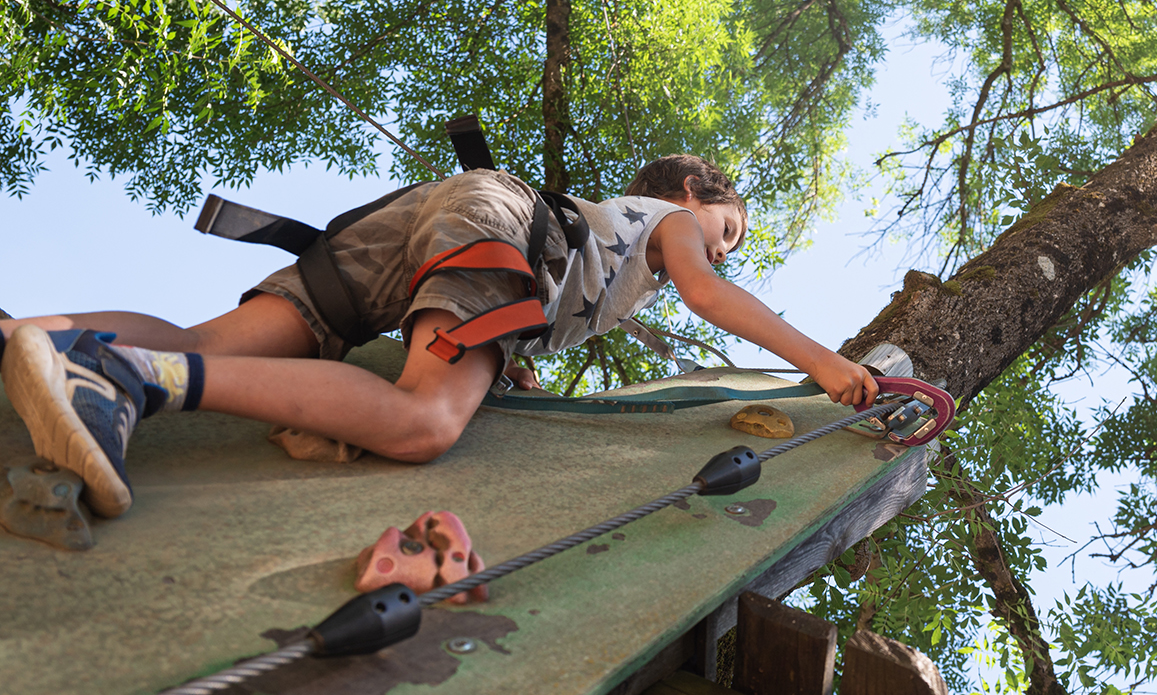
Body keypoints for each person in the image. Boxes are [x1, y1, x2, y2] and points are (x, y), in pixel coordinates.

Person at [0, 154, 878, 520]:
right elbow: (710, 296)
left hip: (421, 228)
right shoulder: (672, 225)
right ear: (693, 190)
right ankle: (121, 377)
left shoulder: (612, 247)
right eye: (732, 230)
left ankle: (29, 335)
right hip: (495, 226)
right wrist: (820, 360)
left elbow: (512, 317)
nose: (725, 248)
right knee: (422, 420)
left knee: (214, 338)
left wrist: (509, 368)